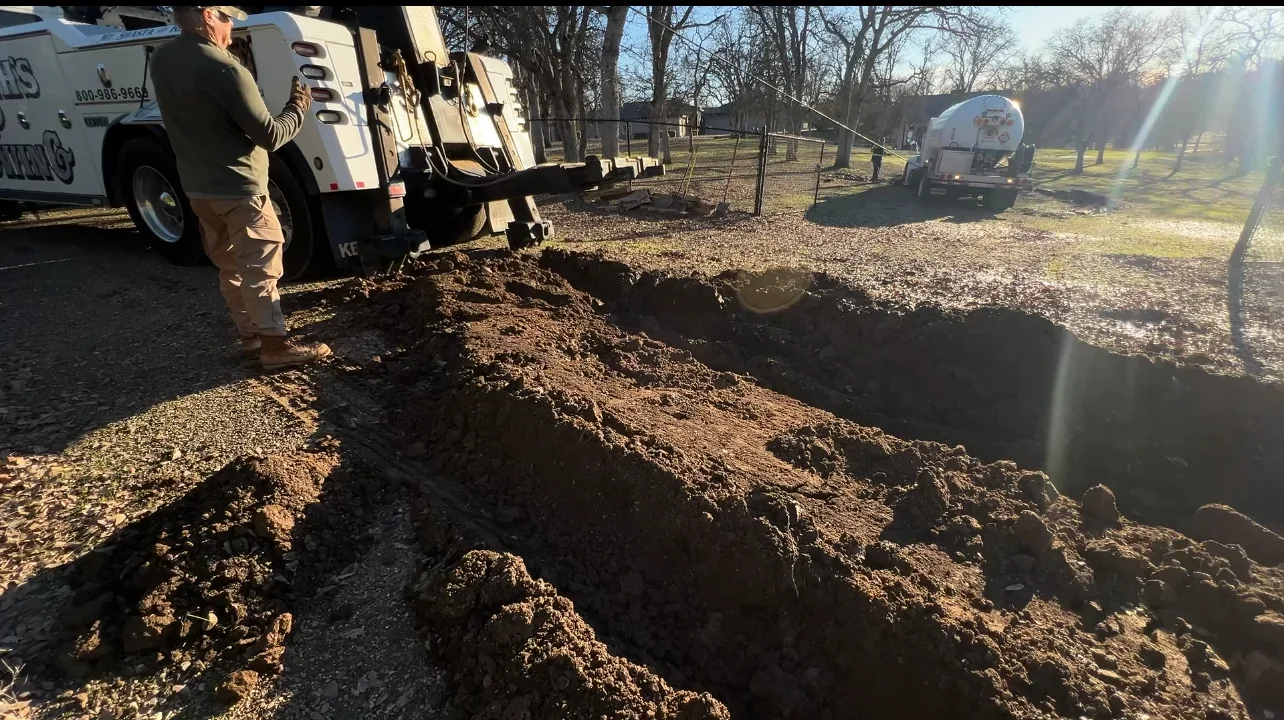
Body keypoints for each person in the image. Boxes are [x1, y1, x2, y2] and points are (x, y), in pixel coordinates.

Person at [150, 6, 330, 370]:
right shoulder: (228, 70)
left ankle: (249, 336)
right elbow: (271, 135)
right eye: (228, 17)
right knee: (261, 267)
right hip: (240, 188)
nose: (233, 25)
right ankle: (275, 347)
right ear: (208, 15)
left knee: (229, 265)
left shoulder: (162, 59)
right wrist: (298, 105)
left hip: (199, 189)